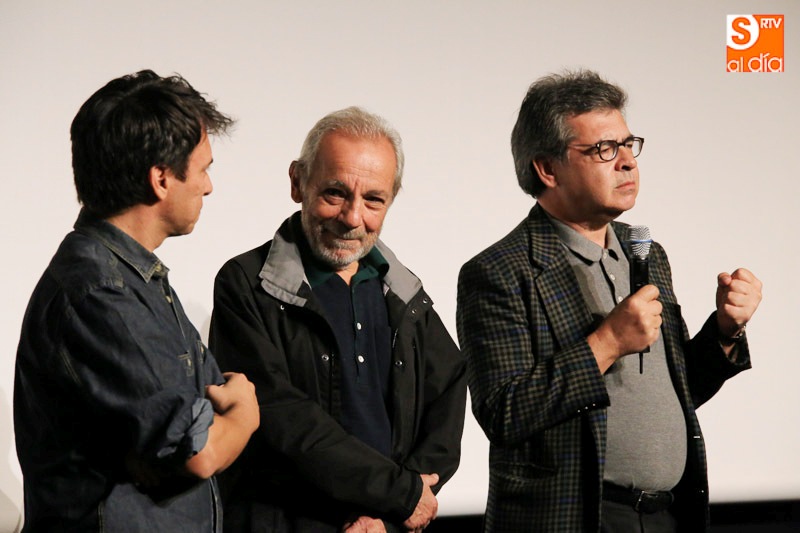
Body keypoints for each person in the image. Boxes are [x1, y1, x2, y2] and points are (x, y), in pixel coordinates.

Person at [456, 70, 762, 532]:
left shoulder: (647, 255)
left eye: (628, 144)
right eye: (604, 149)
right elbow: (504, 413)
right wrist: (606, 344)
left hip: (668, 516)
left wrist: (725, 330)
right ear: (548, 169)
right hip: (578, 518)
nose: (627, 163)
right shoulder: (500, 271)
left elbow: (679, 392)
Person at [14, 70, 260, 532]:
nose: (208, 186)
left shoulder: (134, 279)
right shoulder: (100, 292)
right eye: (203, 169)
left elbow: (203, 403)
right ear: (161, 179)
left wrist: (208, 423)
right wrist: (246, 414)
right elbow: (200, 451)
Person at [209, 106, 467, 532]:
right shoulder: (246, 284)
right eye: (335, 193)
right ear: (298, 182)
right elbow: (282, 418)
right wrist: (398, 494)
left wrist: (388, 514)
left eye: (373, 200)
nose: (352, 218)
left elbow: (448, 394)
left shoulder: (402, 291)